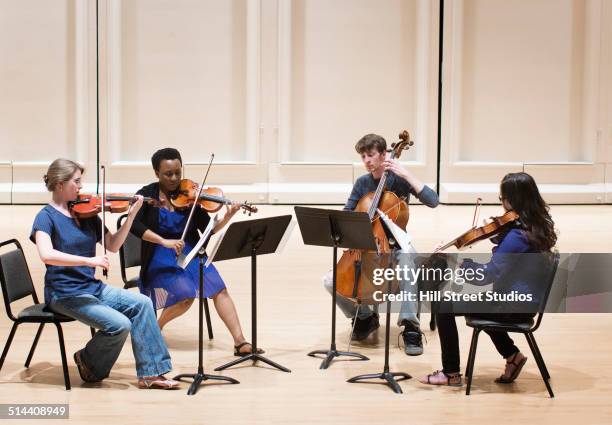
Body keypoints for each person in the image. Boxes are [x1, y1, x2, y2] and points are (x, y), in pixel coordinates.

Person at [31, 159, 179, 389]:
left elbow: (112, 244)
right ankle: (89, 363)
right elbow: (47, 254)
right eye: (76, 181)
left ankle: (151, 374)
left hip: (91, 288)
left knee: (142, 303)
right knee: (120, 324)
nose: (81, 187)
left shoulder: (86, 214)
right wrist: (89, 260)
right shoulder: (45, 217)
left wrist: (131, 217)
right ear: (60, 184)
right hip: (64, 294)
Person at [420, 172, 557, 386]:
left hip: (513, 306)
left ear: (514, 199)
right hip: (523, 300)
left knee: (442, 305)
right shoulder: (533, 227)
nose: (501, 203)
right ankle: (512, 356)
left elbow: (486, 276)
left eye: (502, 198)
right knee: (480, 302)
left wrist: (457, 262)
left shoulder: (517, 237)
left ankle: (451, 373)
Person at [130, 148, 262, 357]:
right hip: (159, 254)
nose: (174, 179)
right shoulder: (147, 195)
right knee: (185, 296)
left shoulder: (190, 196)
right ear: (157, 173)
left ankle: (240, 342)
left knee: (219, 288)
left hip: (190, 252)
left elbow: (208, 229)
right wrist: (164, 241)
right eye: (168, 174)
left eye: (177, 172)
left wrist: (227, 217)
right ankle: (156, 327)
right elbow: (133, 226)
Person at [323, 133, 439, 355]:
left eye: (371, 155)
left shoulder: (400, 179)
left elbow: (433, 201)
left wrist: (403, 171)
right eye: (363, 156)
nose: (367, 161)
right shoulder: (362, 183)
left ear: (384, 154)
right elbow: (347, 214)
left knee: (408, 267)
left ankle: (410, 327)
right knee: (330, 281)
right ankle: (366, 318)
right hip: (365, 246)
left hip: (396, 243)